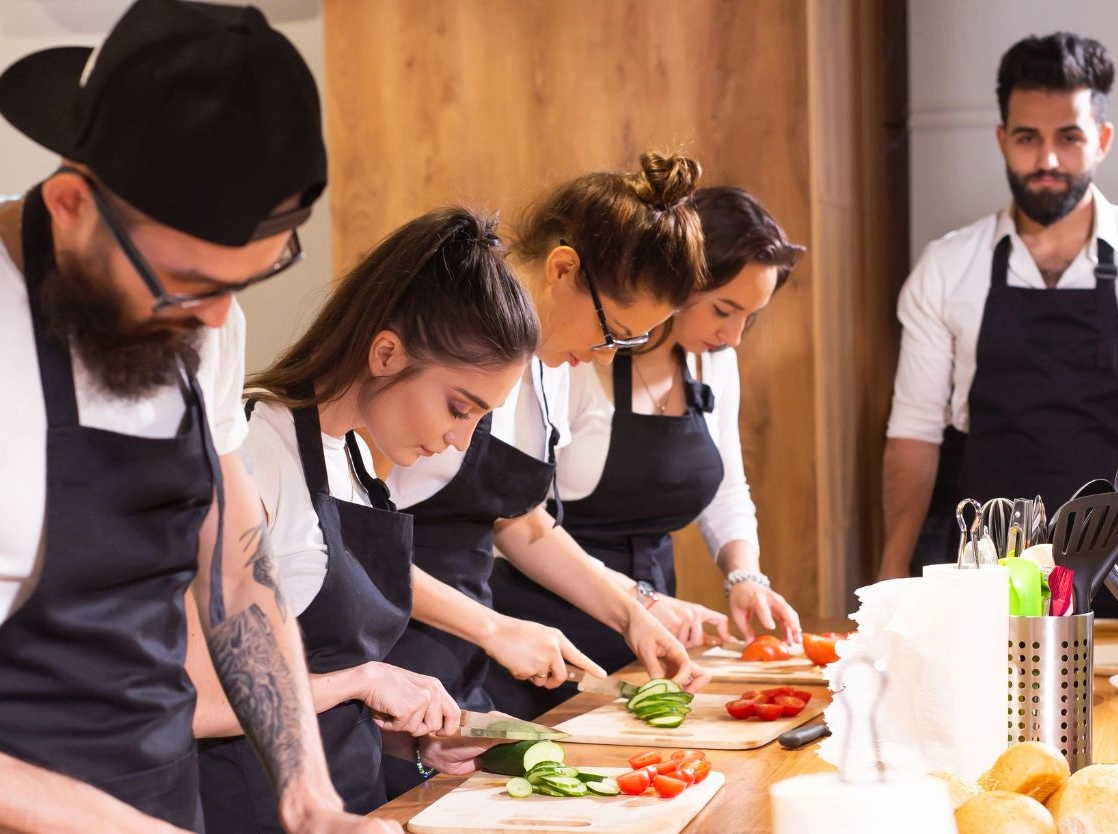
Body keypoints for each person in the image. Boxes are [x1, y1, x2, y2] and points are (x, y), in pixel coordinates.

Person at [0, 3, 396, 832]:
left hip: (171, 802)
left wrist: (310, 797)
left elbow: (236, 573)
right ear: (70, 203)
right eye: (186, 283)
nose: (215, 322)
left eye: (245, 281)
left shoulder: (205, 323)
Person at [187, 207, 536, 829]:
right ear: (385, 353)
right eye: (459, 408)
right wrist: (361, 681)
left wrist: (413, 737)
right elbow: (195, 700)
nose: (461, 441)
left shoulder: (357, 466)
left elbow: (328, 689)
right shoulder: (251, 453)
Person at [380, 152, 717, 793]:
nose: (605, 356)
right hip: (393, 655)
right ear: (563, 269)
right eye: (613, 332)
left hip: (463, 655)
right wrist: (496, 627)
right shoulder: (453, 353)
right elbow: (353, 546)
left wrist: (631, 614)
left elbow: (522, 525)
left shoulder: (547, 368)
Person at [877, 32, 1118, 582]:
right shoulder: (947, 266)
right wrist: (893, 564)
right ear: (1002, 139)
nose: (1047, 160)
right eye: (1028, 138)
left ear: (1103, 139)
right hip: (991, 576)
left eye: (1069, 137)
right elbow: (915, 434)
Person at [488, 186, 806, 719]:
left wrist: (743, 576)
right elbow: (516, 525)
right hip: (537, 616)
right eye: (724, 310)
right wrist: (636, 602)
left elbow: (727, 487)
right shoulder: (567, 353)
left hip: (638, 618)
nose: (734, 337)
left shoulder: (708, 364)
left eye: (751, 318)